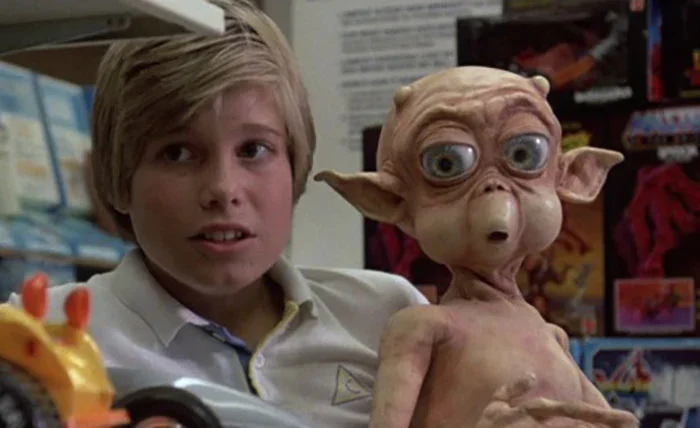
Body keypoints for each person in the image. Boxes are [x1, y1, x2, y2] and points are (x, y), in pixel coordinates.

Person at [4, 1, 613, 427]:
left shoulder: (384, 311)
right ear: (119, 176)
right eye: (177, 153)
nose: (223, 189)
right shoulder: (38, 336)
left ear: (295, 167)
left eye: (254, 150)